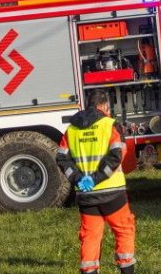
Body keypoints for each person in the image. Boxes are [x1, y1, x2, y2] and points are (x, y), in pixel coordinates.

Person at [56, 90, 136, 274]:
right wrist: (96, 178)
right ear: (102, 106)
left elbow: (61, 158)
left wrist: (78, 178)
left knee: (90, 237)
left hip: (86, 195)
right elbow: (118, 156)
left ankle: (89, 270)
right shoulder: (110, 125)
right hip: (112, 192)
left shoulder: (72, 130)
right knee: (124, 231)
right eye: (108, 107)